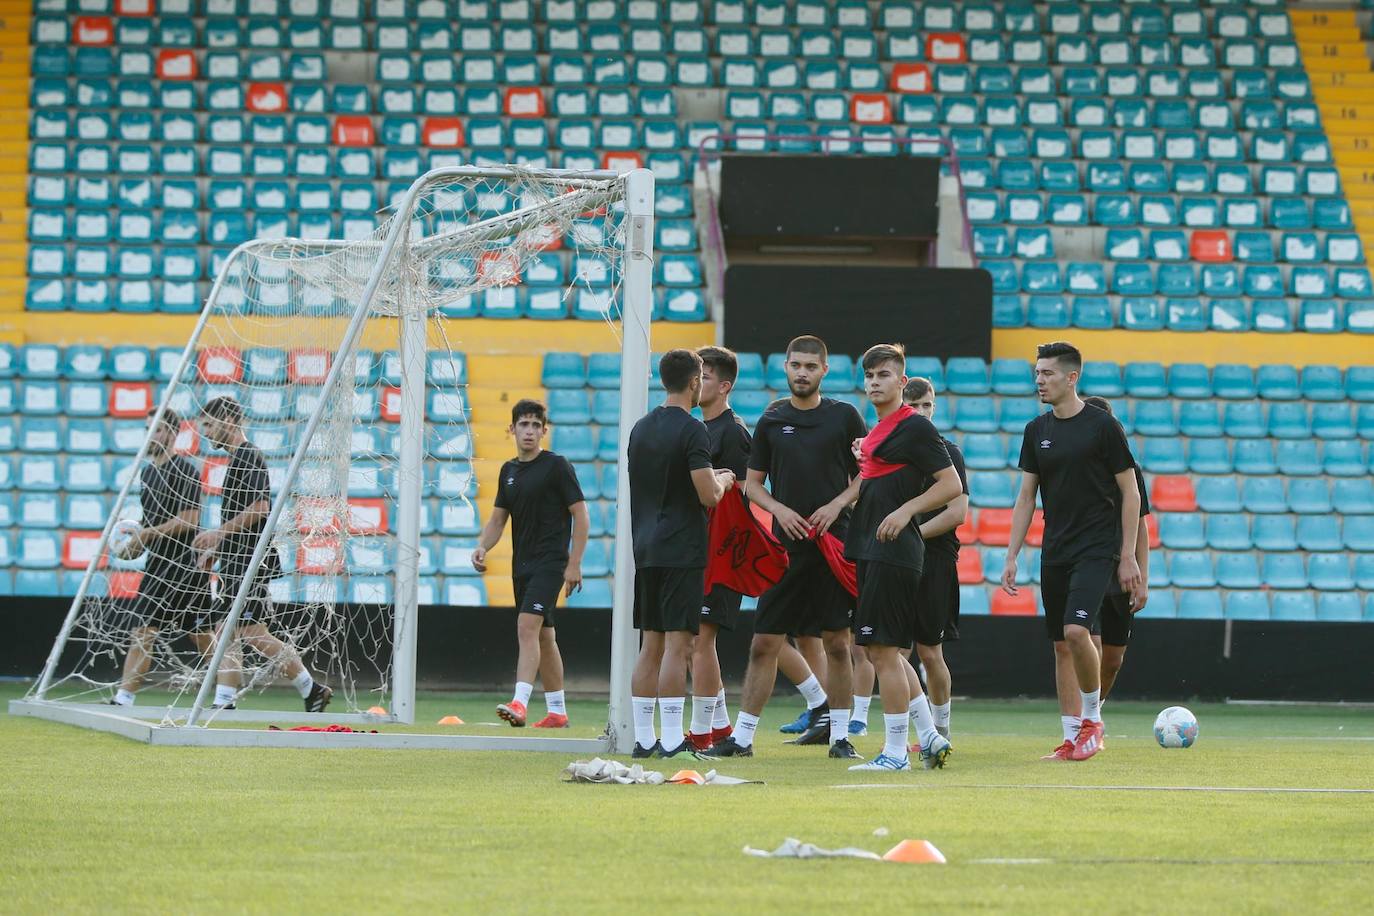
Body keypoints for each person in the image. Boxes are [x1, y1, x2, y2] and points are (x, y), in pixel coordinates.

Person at [707, 335, 867, 760]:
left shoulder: (846, 417)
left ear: (824, 371)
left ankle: (839, 738)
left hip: (835, 544)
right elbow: (753, 486)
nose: (802, 372)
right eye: (796, 365)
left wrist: (835, 506)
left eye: (811, 366)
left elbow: (867, 474)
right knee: (764, 643)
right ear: (786, 367)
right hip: (785, 548)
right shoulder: (772, 419)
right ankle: (742, 739)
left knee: (837, 643)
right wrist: (781, 510)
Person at [1000, 343, 1142, 762]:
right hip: (1054, 549)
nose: (1039, 380)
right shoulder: (1036, 430)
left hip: (1097, 549)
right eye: (1037, 373)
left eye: (1047, 373)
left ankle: (1092, 721)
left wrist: (1129, 555)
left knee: (1079, 632)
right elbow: (1026, 497)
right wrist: (1012, 555)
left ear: (1071, 377)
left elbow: (1130, 492)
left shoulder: (1103, 427)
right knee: (1062, 644)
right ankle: (1070, 737)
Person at [845, 346, 961, 771]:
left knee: (882, 651)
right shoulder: (880, 432)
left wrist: (906, 509)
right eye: (869, 375)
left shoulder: (914, 428)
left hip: (894, 551)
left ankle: (896, 753)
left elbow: (950, 486)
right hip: (874, 549)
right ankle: (928, 735)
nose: (875, 381)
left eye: (883, 375)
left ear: (901, 381)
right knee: (886, 653)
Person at [192, 396, 333, 713]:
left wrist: (218, 534)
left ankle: (311, 688)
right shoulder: (236, 460)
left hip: (251, 559)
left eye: (210, 425)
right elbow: (241, 514)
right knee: (228, 628)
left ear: (229, 420)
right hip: (238, 558)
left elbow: (259, 508)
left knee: (250, 632)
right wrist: (218, 548)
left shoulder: (249, 456)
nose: (207, 433)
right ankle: (225, 701)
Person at [626, 350, 734, 758]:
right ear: (694, 382)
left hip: (646, 547)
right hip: (682, 547)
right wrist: (722, 478)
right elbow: (708, 495)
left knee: (649, 645)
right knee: (677, 644)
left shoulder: (639, 429)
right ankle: (672, 738)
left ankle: (642, 738)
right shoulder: (693, 431)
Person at [472, 399, 589, 729]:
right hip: (521, 564)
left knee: (527, 626)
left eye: (536, 425)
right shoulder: (508, 471)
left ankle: (519, 703)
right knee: (544, 637)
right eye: (524, 424)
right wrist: (482, 546)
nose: (530, 431)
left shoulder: (557, 466)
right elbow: (498, 520)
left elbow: (581, 516)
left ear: (544, 431)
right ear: (512, 429)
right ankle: (557, 712)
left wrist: (574, 563)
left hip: (551, 563)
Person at [109, 409, 224, 707]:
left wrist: (147, 535)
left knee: (200, 636)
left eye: (158, 430)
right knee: (142, 631)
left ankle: (227, 692)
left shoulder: (185, 470)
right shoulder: (147, 472)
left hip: (187, 566)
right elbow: (152, 524)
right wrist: (137, 543)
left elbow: (190, 520)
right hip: (158, 566)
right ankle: (123, 698)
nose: (152, 435)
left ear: (174, 434)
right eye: (149, 429)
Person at [687, 346, 752, 750]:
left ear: (724, 386)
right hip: (700, 549)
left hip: (723, 552)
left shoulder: (733, 433)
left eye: (705, 377)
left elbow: (745, 495)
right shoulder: (700, 429)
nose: (698, 383)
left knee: (701, 640)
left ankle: (701, 735)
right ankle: (723, 728)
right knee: (697, 639)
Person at [1081, 396, 1150, 703]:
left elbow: (1141, 527)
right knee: (1090, 646)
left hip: (1121, 573)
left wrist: (1143, 578)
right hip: (1087, 567)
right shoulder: (1075, 469)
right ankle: (1085, 721)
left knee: (1113, 661)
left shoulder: (1129, 470)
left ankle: (1094, 714)